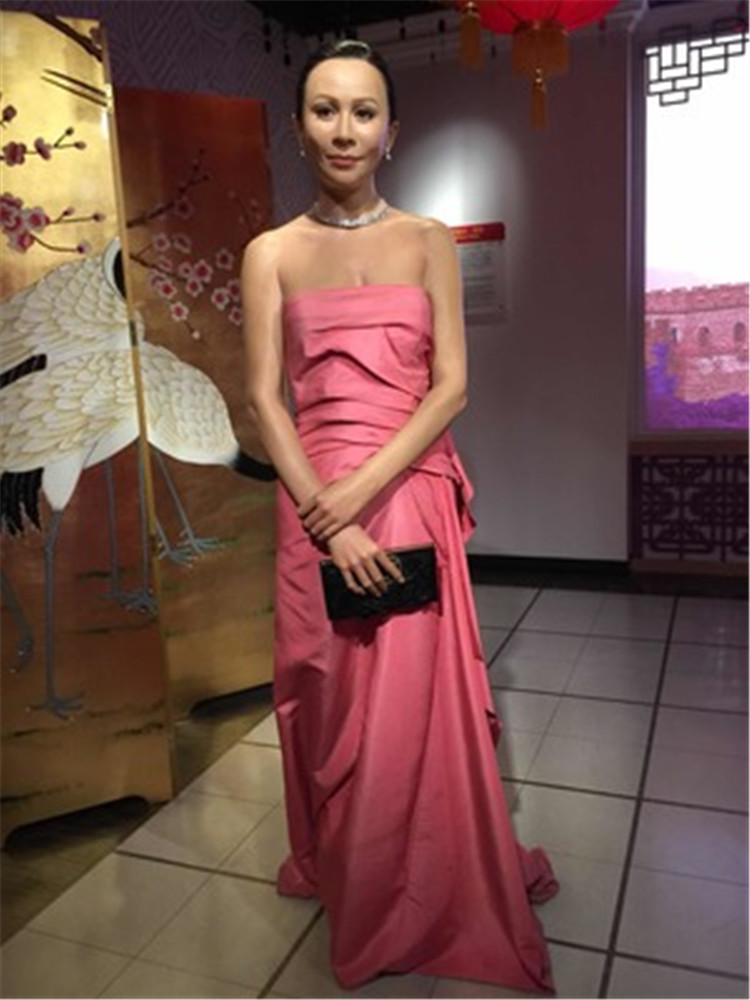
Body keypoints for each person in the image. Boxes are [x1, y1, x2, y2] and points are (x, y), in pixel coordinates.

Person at [241, 38, 558, 994]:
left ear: (391, 130)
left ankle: (425, 890)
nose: (345, 129)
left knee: (414, 710)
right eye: (325, 109)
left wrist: (365, 491)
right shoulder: (271, 253)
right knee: (331, 699)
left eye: (364, 111)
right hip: (313, 504)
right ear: (299, 127)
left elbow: (450, 385)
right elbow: (264, 400)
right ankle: (357, 872)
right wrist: (328, 515)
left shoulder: (427, 240)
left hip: (407, 490)